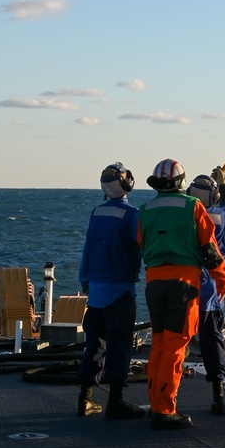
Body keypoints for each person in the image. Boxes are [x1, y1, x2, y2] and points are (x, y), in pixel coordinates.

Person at [137, 157, 225, 429]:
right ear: (181, 182)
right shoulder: (193, 206)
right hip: (184, 283)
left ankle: (156, 403)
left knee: (160, 343)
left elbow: (141, 242)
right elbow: (210, 250)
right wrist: (222, 281)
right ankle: (165, 410)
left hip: (154, 282)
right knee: (176, 346)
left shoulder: (145, 209)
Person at [77, 161, 146, 421]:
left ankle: (85, 398)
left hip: (95, 290)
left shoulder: (96, 213)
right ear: (127, 183)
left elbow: (87, 251)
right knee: (120, 346)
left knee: (94, 344)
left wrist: (86, 281)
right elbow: (142, 246)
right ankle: (115, 402)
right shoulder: (133, 215)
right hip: (121, 291)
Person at [187, 165, 225, 415]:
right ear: (214, 196)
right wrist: (224, 183)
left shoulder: (184, 215)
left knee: (176, 344)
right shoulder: (219, 216)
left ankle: (167, 399)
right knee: (213, 342)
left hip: (184, 287)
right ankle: (218, 396)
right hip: (212, 291)